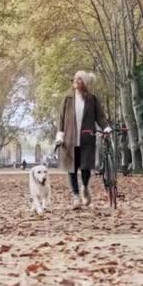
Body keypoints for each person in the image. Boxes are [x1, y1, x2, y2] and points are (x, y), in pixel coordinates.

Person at [55, 71, 111, 209]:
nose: (75, 81)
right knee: (72, 168)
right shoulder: (67, 99)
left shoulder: (92, 99)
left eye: (79, 80)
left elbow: (101, 117)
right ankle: (75, 196)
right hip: (70, 139)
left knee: (85, 168)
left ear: (84, 83)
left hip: (87, 139)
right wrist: (60, 134)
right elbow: (61, 118)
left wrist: (106, 128)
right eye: (75, 79)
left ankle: (85, 187)